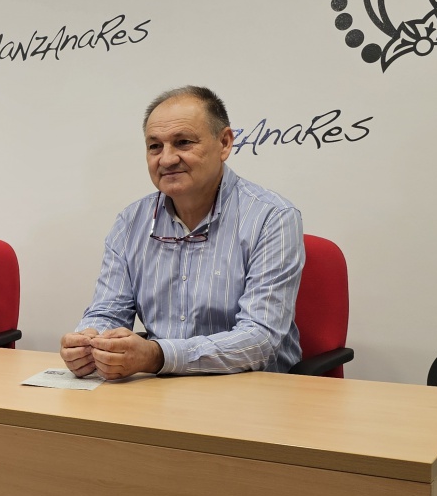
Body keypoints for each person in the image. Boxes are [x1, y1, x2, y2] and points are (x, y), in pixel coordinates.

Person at [60, 86, 304, 380]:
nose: (166, 159)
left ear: (224, 143)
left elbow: (259, 339)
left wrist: (157, 355)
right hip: (158, 387)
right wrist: (90, 341)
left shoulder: (272, 217)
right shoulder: (130, 222)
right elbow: (108, 312)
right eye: (154, 147)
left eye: (183, 142)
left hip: (254, 388)